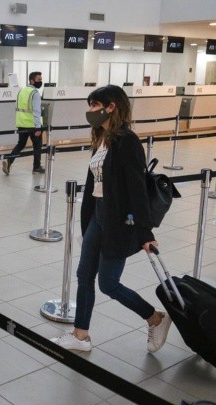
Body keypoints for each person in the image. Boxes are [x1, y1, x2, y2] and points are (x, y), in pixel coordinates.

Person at [50, 85, 172, 353]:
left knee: (108, 284)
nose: (90, 110)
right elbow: (95, 184)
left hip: (118, 222)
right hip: (97, 216)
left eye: (94, 105)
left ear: (111, 106)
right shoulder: (102, 139)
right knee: (84, 275)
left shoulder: (127, 141)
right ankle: (80, 335)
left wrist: (145, 232)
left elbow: (136, 188)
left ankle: (155, 318)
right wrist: (87, 222)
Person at [2, 71, 44, 175]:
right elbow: (36, 111)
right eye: (39, 79)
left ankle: (9, 161)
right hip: (32, 125)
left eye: (41, 79)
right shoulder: (35, 93)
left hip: (21, 124)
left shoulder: (21, 91)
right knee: (37, 146)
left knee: (21, 144)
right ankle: (36, 167)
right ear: (32, 81)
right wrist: (38, 127)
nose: (41, 81)